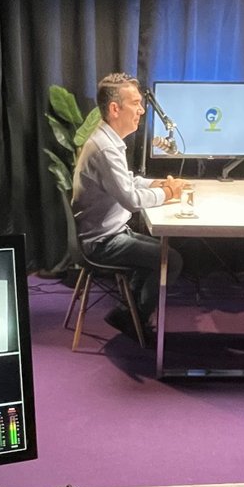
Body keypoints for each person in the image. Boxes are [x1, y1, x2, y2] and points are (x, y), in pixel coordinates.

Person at [72, 72, 187, 337]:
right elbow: (131, 200)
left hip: (110, 233)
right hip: (102, 242)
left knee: (160, 251)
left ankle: (128, 313)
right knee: (171, 260)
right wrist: (168, 193)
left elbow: (127, 182)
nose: (142, 110)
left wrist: (156, 183)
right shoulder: (105, 148)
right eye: (135, 103)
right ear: (115, 109)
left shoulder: (107, 140)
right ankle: (133, 318)